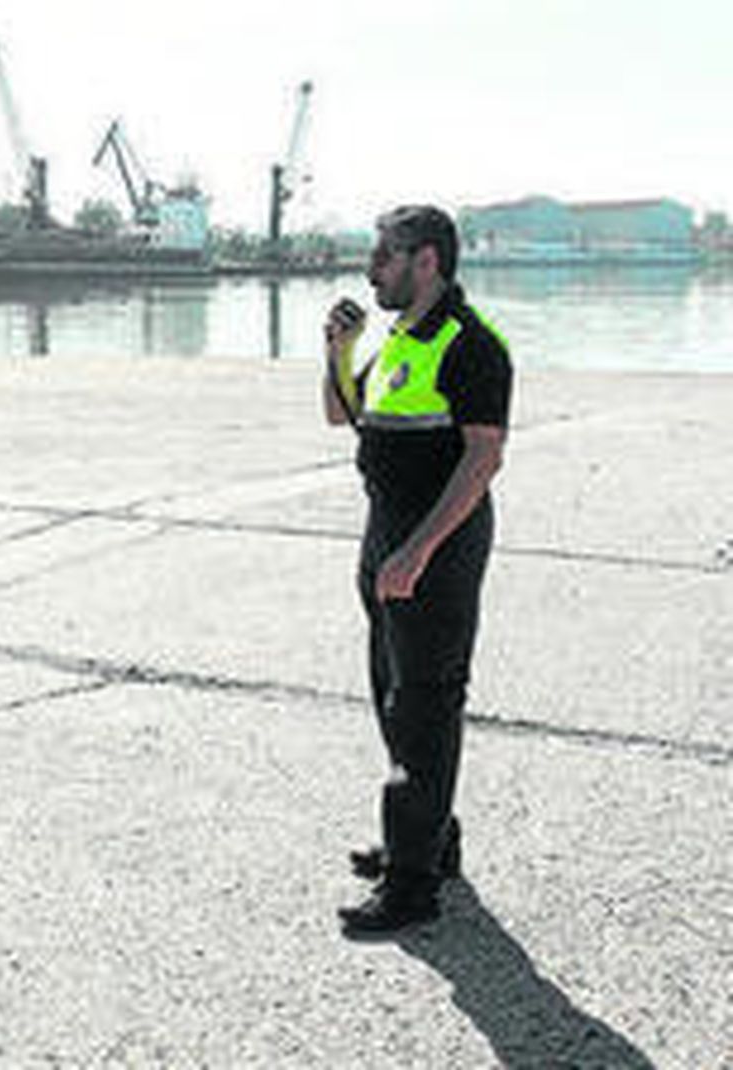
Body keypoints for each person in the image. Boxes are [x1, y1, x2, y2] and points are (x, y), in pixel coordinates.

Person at [322, 205, 513, 935]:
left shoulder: (471, 342)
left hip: (438, 545)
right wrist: (339, 352)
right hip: (386, 536)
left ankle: (411, 886)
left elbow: (483, 459)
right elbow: (343, 416)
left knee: (425, 705)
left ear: (425, 260)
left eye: (384, 256)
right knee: (390, 694)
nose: (372, 269)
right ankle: (430, 839)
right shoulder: (401, 336)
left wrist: (419, 550)